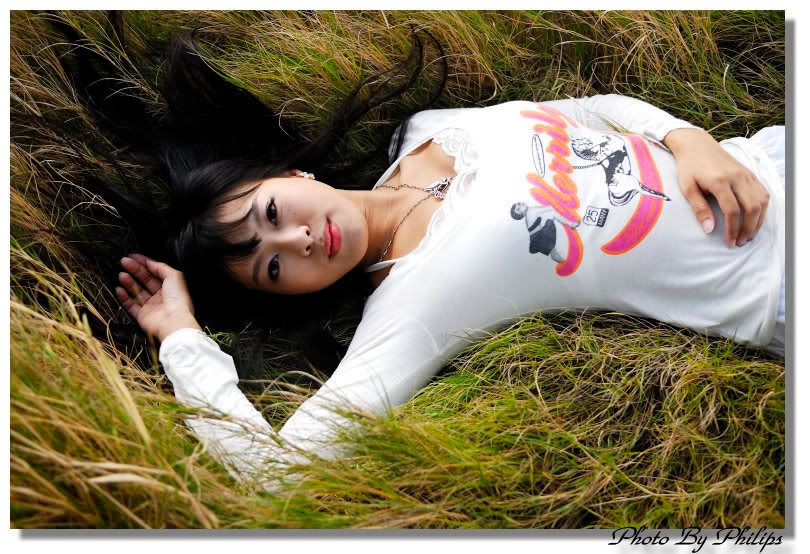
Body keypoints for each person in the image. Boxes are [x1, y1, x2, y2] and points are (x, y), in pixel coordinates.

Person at [55, 13, 785, 492]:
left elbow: (591, 114)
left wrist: (688, 139)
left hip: (773, 158)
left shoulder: (427, 128)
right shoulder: (412, 305)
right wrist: (182, 339)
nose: (297, 239)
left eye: (270, 214)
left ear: (291, 176)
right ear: (291, 295)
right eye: (274, 267)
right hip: (774, 281)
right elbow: (276, 474)